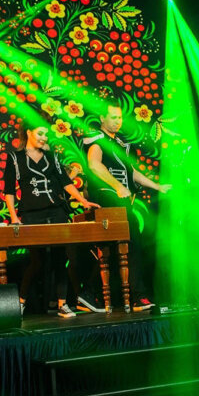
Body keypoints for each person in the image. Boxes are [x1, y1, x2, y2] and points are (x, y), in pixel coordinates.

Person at [2, 113, 99, 318]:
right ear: (29, 132)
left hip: (56, 211)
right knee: (36, 261)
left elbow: (65, 182)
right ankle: (21, 302)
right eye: (40, 133)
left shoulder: (51, 156)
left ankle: (63, 304)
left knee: (59, 257)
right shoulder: (15, 158)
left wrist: (82, 200)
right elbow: (9, 190)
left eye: (46, 134)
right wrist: (14, 217)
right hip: (31, 213)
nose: (44, 138)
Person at [83, 100, 171, 310]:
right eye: (113, 117)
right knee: (129, 245)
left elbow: (132, 172)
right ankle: (136, 296)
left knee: (122, 247)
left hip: (121, 201)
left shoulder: (120, 143)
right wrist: (118, 186)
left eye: (120, 117)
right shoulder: (97, 139)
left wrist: (157, 186)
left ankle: (90, 294)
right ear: (102, 118)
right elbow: (94, 165)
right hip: (108, 198)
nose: (118, 121)